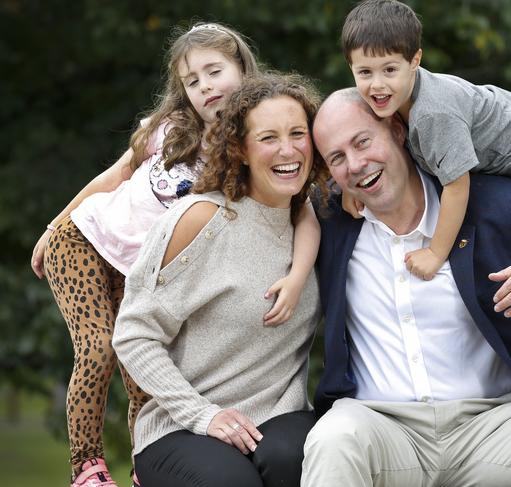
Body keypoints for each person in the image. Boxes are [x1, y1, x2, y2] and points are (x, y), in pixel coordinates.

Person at [301, 88, 511, 486]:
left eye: (362, 141)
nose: (355, 164)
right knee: (332, 439)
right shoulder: (329, 223)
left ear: (396, 130)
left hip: (495, 424)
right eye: (337, 158)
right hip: (382, 426)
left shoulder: (489, 202)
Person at [30, 23, 315, 487]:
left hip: (136, 259)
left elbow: (301, 213)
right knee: (102, 346)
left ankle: (149, 467)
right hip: (87, 236)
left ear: (243, 69)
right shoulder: (169, 130)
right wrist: (54, 225)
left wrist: (298, 274)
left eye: (214, 71)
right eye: (192, 80)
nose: (204, 87)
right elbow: (113, 177)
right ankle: (86, 465)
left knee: (148, 367)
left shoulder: (244, 151)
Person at [339, 0, 511, 409]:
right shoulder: (384, 98)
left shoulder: (433, 114)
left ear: (415, 60)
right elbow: (348, 124)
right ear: (351, 68)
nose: (377, 84)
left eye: (389, 70)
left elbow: (456, 186)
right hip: (509, 161)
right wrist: (348, 182)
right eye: (364, 72)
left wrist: (436, 253)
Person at [112, 72, 329, 487]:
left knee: (297, 462)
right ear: (240, 149)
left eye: (297, 133)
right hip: (182, 423)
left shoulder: (312, 218)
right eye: (268, 138)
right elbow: (134, 335)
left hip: (279, 414)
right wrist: (203, 415)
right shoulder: (200, 220)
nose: (288, 149)